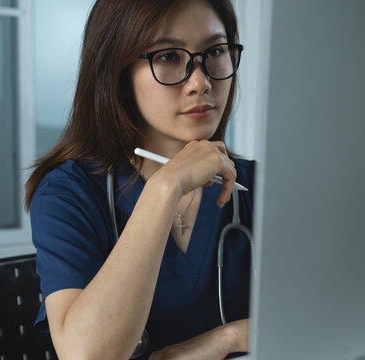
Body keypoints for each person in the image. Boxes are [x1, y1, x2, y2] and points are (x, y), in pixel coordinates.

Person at [24, 0, 253, 358]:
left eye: (215, 51)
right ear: (118, 71)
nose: (200, 81)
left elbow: (334, 311)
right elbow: (88, 354)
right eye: (167, 57)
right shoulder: (67, 194)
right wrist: (166, 186)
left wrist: (223, 340)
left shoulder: (263, 186)